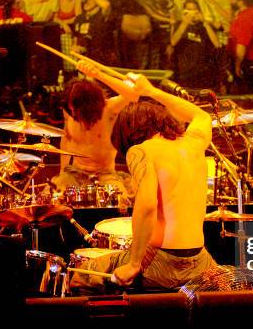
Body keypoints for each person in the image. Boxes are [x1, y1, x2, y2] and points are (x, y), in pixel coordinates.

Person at [70, 72, 217, 291]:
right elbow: (202, 116)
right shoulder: (194, 144)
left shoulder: (141, 150)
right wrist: (151, 91)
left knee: (81, 276)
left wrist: (134, 263)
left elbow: (147, 205)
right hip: (199, 260)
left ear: (131, 132)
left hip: (161, 261)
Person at [50, 60, 138, 208]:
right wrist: (62, 171)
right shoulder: (69, 110)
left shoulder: (109, 109)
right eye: (70, 108)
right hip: (76, 172)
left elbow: (133, 94)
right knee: (56, 196)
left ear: (89, 105)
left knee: (121, 202)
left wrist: (97, 74)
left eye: (75, 109)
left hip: (105, 173)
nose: (72, 112)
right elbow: (66, 139)